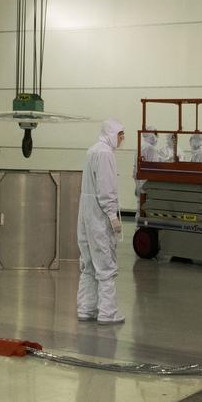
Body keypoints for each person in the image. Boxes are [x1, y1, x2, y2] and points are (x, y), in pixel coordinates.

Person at [78, 119, 125, 326]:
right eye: (121, 135)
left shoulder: (92, 150)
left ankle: (86, 309)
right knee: (106, 264)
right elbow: (106, 189)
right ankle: (107, 312)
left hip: (86, 214)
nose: (122, 139)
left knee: (88, 263)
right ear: (112, 134)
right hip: (99, 216)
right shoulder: (105, 154)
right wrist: (113, 216)